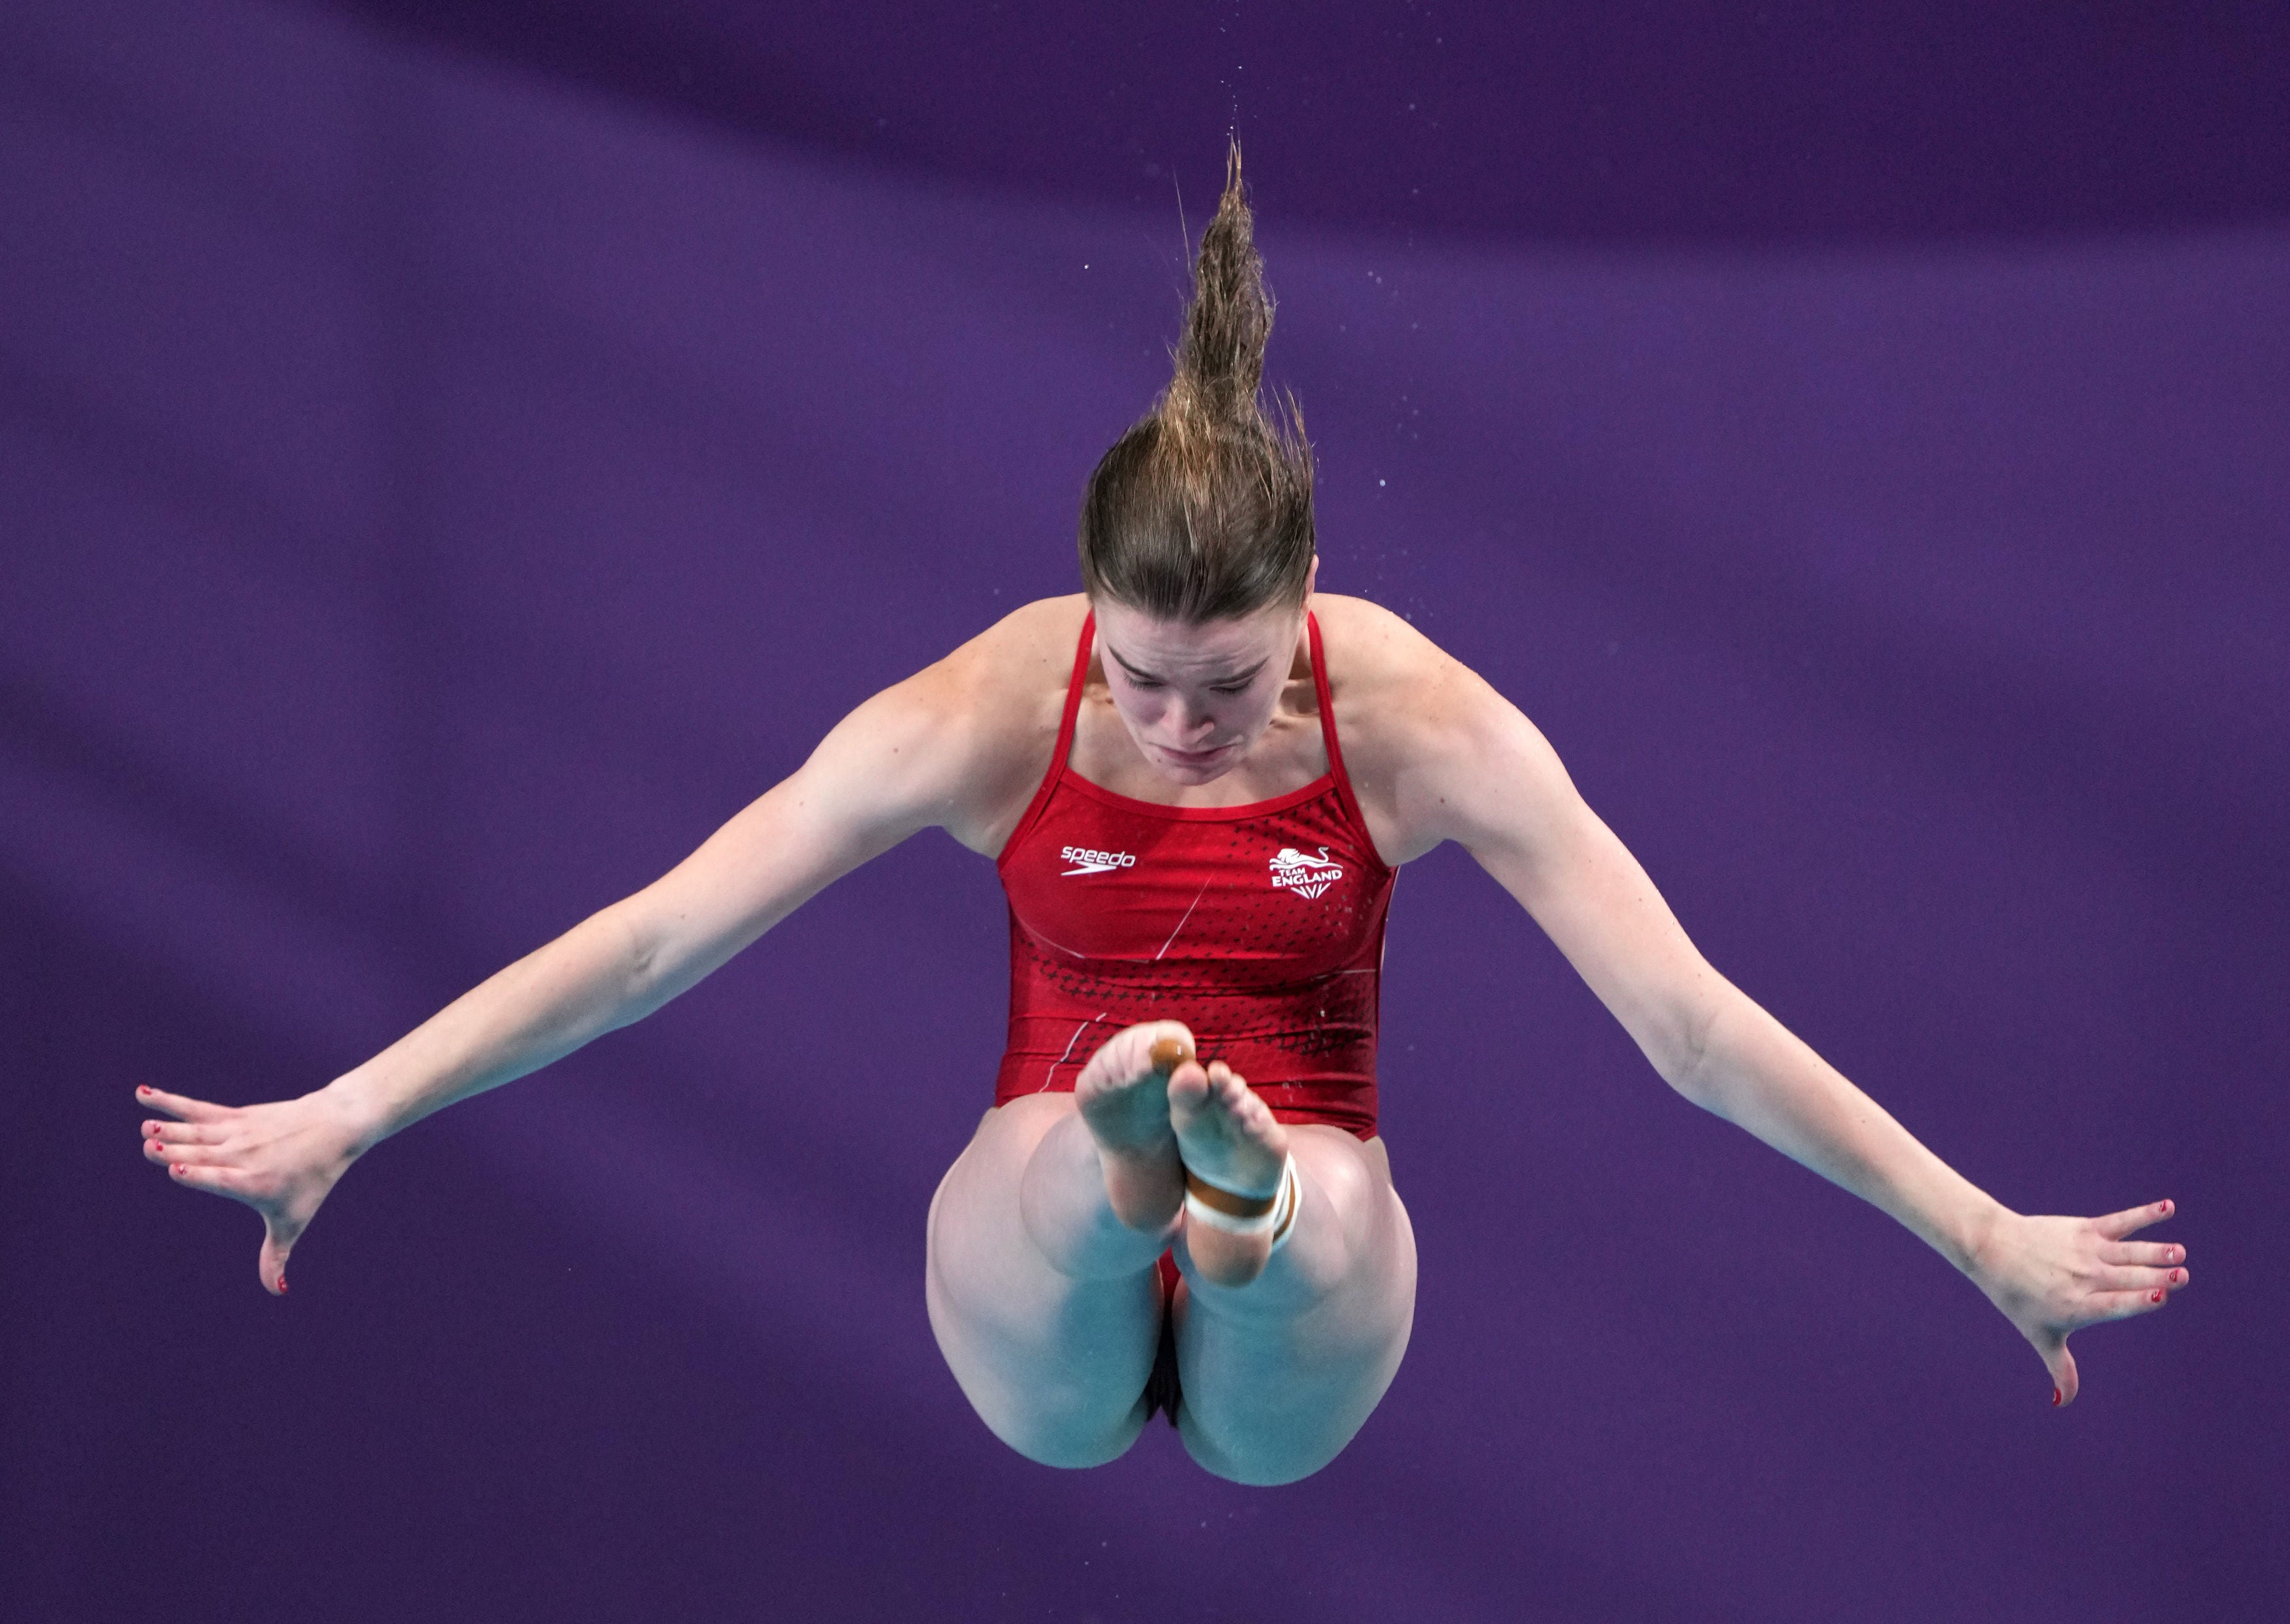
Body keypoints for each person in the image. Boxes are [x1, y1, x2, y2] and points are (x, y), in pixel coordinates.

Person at [135, 145, 2187, 1487]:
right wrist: (348, 1113)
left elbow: (1691, 1026)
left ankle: (1233, 1190)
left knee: (1332, 1213)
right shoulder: (979, 706)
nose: (1180, 723)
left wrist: (1976, 1231)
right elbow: (661, 937)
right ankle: (1141, 1167)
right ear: (1083, 609)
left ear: (1304, 609)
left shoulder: (1417, 717)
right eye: (1137, 678)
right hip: (1038, 1223)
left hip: (1318, 1223)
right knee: (1043, 1157)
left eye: (1229, 687)